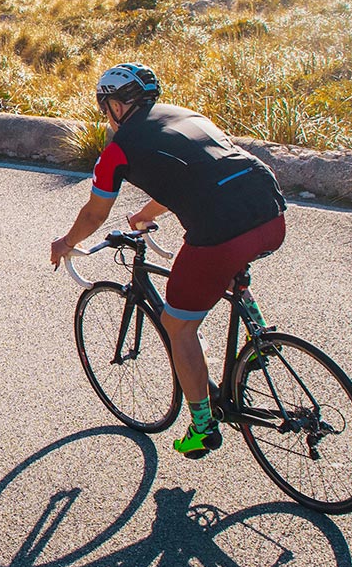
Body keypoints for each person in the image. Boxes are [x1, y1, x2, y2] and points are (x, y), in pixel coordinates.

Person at [48, 63, 287, 460]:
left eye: (106, 106)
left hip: (222, 231)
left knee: (178, 324)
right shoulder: (186, 115)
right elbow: (196, 174)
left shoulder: (117, 150)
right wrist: (146, 214)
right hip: (270, 210)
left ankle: (202, 427)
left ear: (114, 106)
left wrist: (66, 241)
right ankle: (259, 335)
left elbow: (94, 214)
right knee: (217, 268)